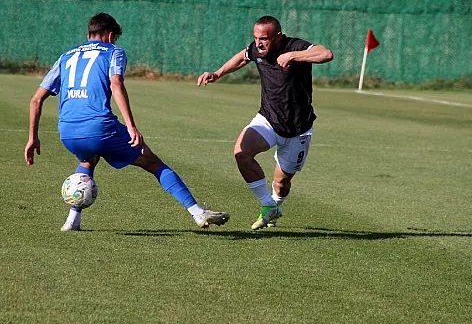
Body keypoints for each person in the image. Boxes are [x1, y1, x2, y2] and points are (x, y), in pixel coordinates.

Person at [25, 13, 229, 231]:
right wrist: (131, 126)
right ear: (111, 35)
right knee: (153, 163)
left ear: (88, 34)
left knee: (88, 160)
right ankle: (198, 213)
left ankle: (72, 221)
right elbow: (116, 84)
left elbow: (36, 100)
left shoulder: (66, 56)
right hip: (99, 128)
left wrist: (32, 138)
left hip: (68, 132)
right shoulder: (114, 52)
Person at [197, 16, 333, 230]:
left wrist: (294, 56)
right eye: (256, 38)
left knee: (281, 182)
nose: (259, 43)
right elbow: (242, 57)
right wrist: (218, 73)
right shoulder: (256, 49)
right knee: (241, 153)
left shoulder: (295, 46)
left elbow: (326, 54)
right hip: (268, 119)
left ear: (278, 36)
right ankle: (268, 205)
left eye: (265, 38)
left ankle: (275, 207)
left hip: (298, 129)